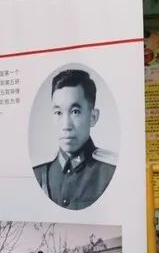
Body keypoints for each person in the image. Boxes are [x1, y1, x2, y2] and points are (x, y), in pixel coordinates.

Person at [33, 68, 117, 210]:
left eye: (75, 112)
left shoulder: (110, 172)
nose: (66, 125)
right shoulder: (39, 172)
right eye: (58, 112)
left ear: (93, 117)